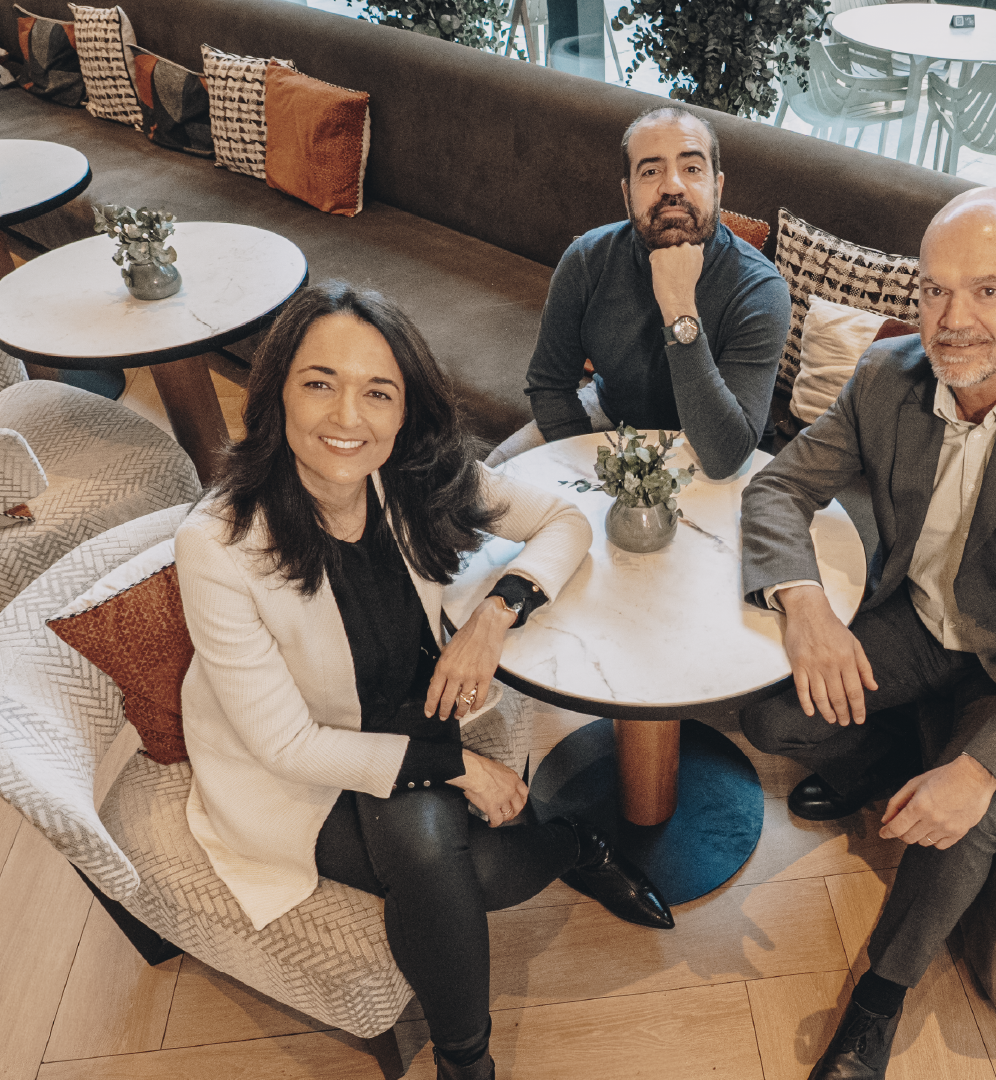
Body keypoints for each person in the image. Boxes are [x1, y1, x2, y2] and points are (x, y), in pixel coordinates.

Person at [175, 282, 674, 1080]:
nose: (347, 418)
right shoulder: (217, 544)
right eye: (319, 383)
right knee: (449, 858)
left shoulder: (416, 474)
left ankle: (476, 1032)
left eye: (378, 392)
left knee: (432, 854)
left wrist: (493, 617)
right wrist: (460, 768)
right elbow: (286, 743)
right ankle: (561, 871)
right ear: (276, 392)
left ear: (405, 411)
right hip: (303, 765)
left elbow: (567, 521)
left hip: (415, 716)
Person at [738, 189, 996, 1079]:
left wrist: (977, 770)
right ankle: (892, 754)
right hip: (923, 622)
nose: (951, 320)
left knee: (964, 821)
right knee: (773, 716)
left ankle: (876, 1004)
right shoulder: (885, 375)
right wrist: (806, 608)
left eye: (986, 291)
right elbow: (777, 489)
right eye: (934, 290)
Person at [486, 104, 790, 479]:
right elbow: (549, 385)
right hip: (611, 419)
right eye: (651, 171)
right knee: (493, 476)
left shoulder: (761, 290)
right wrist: (599, 473)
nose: (673, 186)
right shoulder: (587, 260)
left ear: (718, 186)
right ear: (627, 195)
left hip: (720, 445)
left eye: (692, 168)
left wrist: (679, 306)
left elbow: (724, 456)